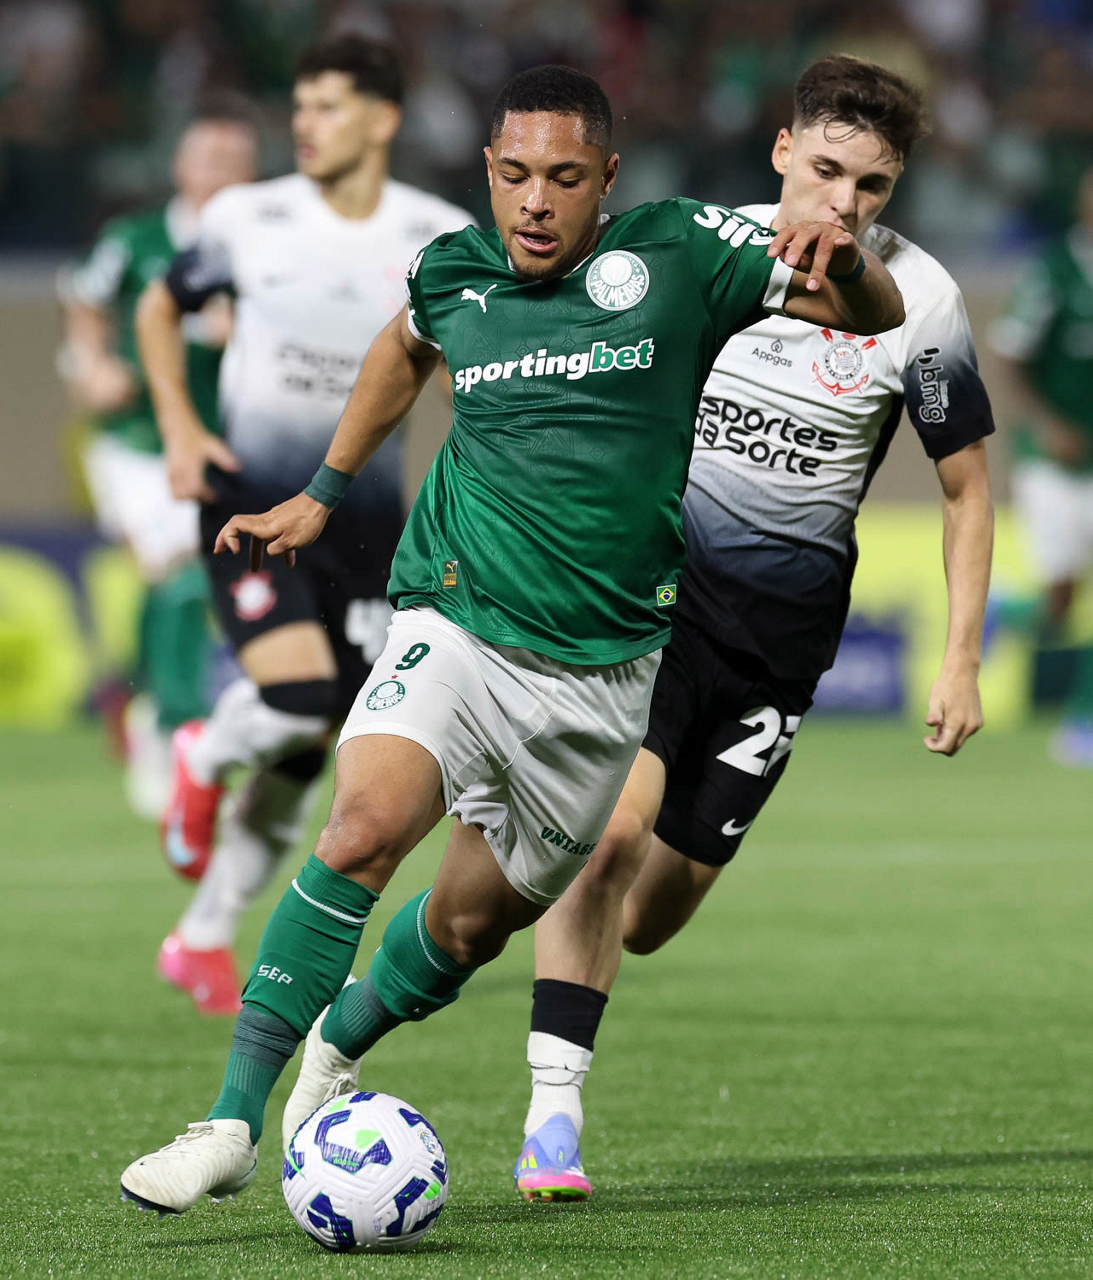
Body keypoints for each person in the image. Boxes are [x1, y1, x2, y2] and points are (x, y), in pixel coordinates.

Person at [119, 63, 905, 1216]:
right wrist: (325, 492)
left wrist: (851, 263)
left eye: (565, 178)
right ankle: (231, 1117)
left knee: (468, 924)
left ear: (607, 179)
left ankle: (339, 1040)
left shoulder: (684, 253)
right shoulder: (452, 271)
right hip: (456, 615)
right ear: (489, 170)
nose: (536, 202)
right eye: (517, 175)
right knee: (361, 826)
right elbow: (401, 350)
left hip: (602, 678)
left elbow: (872, 317)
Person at [511, 54, 996, 1203]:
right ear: (783, 151)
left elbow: (967, 487)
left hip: (781, 643)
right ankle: (551, 1117)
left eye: (871, 185)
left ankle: (543, 885)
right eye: (826, 169)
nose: (845, 201)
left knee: (652, 915)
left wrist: (960, 657)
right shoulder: (699, 251)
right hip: (653, 604)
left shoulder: (920, 300)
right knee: (609, 840)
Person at [134, 35, 473, 1015]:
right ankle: (201, 752)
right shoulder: (249, 217)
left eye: (328, 106)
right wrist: (180, 426)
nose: (306, 125)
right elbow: (159, 308)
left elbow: (459, 367)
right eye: (300, 107)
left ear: (384, 118)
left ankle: (202, 935)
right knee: (294, 698)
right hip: (248, 500)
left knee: (306, 746)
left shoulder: (435, 234)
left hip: (362, 522)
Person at [59, 106, 259, 819]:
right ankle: (172, 728)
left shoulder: (266, 248)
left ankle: (133, 692)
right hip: (140, 443)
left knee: (189, 577)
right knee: (178, 563)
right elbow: (84, 303)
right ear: (179, 166)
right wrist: (90, 364)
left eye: (233, 162)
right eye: (207, 158)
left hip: (229, 446)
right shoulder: (136, 240)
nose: (218, 174)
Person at [990, 165, 1093, 766]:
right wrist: (1046, 423)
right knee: (1060, 603)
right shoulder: (1054, 272)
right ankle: (1008, 612)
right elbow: (1010, 353)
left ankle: (1083, 722)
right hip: (1053, 464)